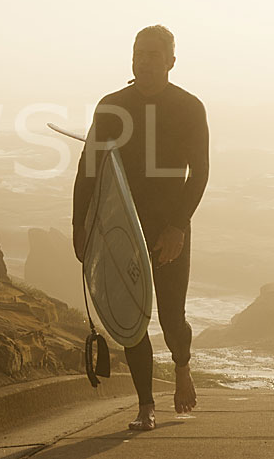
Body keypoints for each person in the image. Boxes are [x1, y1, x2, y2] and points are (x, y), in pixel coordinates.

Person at [72, 25, 209, 431]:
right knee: (132, 317)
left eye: (153, 53)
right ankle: (145, 404)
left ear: (170, 60)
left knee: (170, 318)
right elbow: (88, 170)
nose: (143, 60)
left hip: (168, 227)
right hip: (120, 228)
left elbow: (199, 174)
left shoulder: (188, 108)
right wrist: (80, 225)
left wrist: (178, 227)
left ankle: (181, 365)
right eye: (138, 52)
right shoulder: (111, 107)